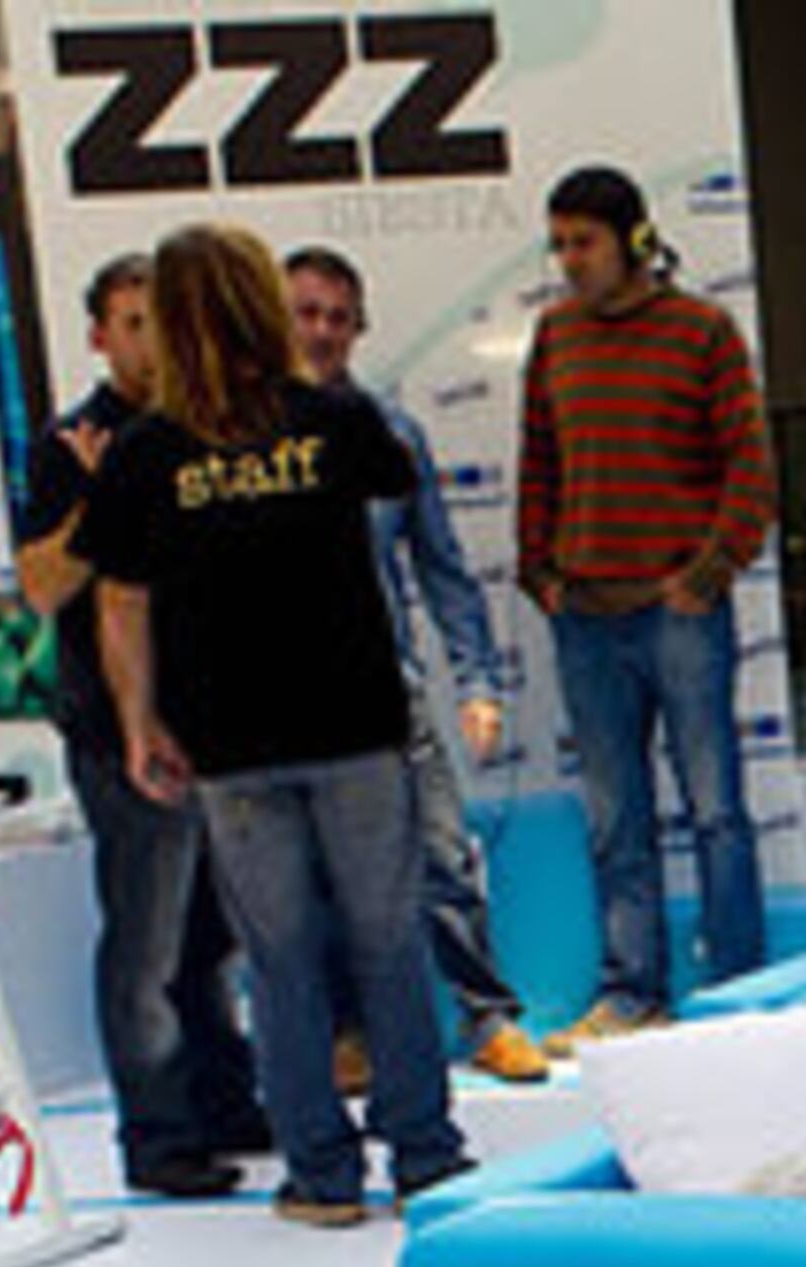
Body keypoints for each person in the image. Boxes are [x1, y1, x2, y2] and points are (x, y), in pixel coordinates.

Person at [85, 224, 468, 1227]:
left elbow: (119, 599)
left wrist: (139, 720)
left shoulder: (145, 450)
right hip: (352, 726)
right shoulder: (330, 418)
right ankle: (425, 1153)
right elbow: (395, 479)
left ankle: (322, 1175)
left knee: (280, 959)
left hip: (232, 744)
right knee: (386, 942)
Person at [15, 253, 266, 1200]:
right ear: (97, 335)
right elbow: (43, 585)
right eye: (130, 324)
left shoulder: (204, 428)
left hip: (216, 724)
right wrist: (102, 498)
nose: (150, 343)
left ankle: (226, 1104)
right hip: (115, 728)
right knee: (148, 940)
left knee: (211, 936)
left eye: (160, 320)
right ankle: (158, 1135)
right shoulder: (73, 443)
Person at [520, 165, 777, 1046]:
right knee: (615, 820)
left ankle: (740, 995)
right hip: (586, 616)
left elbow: (750, 466)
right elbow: (539, 464)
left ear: (632, 240)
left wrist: (704, 573)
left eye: (581, 242)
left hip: (678, 612)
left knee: (716, 811)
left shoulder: (703, 331)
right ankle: (633, 993)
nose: (568, 261)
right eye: (558, 244)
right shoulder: (554, 338)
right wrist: (539, 574)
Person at [283, 244, 549, 1087]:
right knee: (319, 878)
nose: (322, 331)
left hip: (388, 687)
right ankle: (346, 1034)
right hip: (283, 702)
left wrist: (477, 682)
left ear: (358, 329)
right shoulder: (238, 439)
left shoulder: (392, 433)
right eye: (305, 312)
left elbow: (441, 566)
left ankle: (489, 1019)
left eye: (337, 316)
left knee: (442, 855)